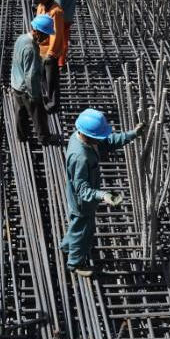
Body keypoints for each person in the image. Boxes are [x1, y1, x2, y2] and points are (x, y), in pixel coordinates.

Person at [59, 109, 145, 277]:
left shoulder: (83, 138)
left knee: (77, 226)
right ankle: (74, 264)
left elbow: (108, 142)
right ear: (89, 136)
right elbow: (82, 190)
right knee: (83, 232)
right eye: (98, 137)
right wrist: (103, 195)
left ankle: (66, 246)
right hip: (82, 203)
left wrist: (131, 134)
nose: (101, 139)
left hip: (81, 198)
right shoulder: (80, 157)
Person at [11, 15, 56, 145]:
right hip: (27, 89)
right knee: (39, 114)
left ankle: (22, 137)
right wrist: (35, 95)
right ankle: (44, 138)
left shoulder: (21, 38)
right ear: (37, 31)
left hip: (16, 84)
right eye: (45, 34)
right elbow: (30, 76)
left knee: (20, 113)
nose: (46, 38)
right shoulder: (31, 49)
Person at [33, 0, 65, 113]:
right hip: (41, 49)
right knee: (43, 79)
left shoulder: (56, 11)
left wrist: (50, 54)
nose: (39, 0)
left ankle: (53, 105)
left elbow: (56, 34)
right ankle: (46, 99)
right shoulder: (41, 6)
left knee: (52, 80)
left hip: (50, 53)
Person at [53, 0, 77, 68]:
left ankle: (57, 60)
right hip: (69, 16)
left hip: (61, 17)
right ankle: (61, 60)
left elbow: (58, 3)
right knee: (64, 38)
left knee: (57, 38)